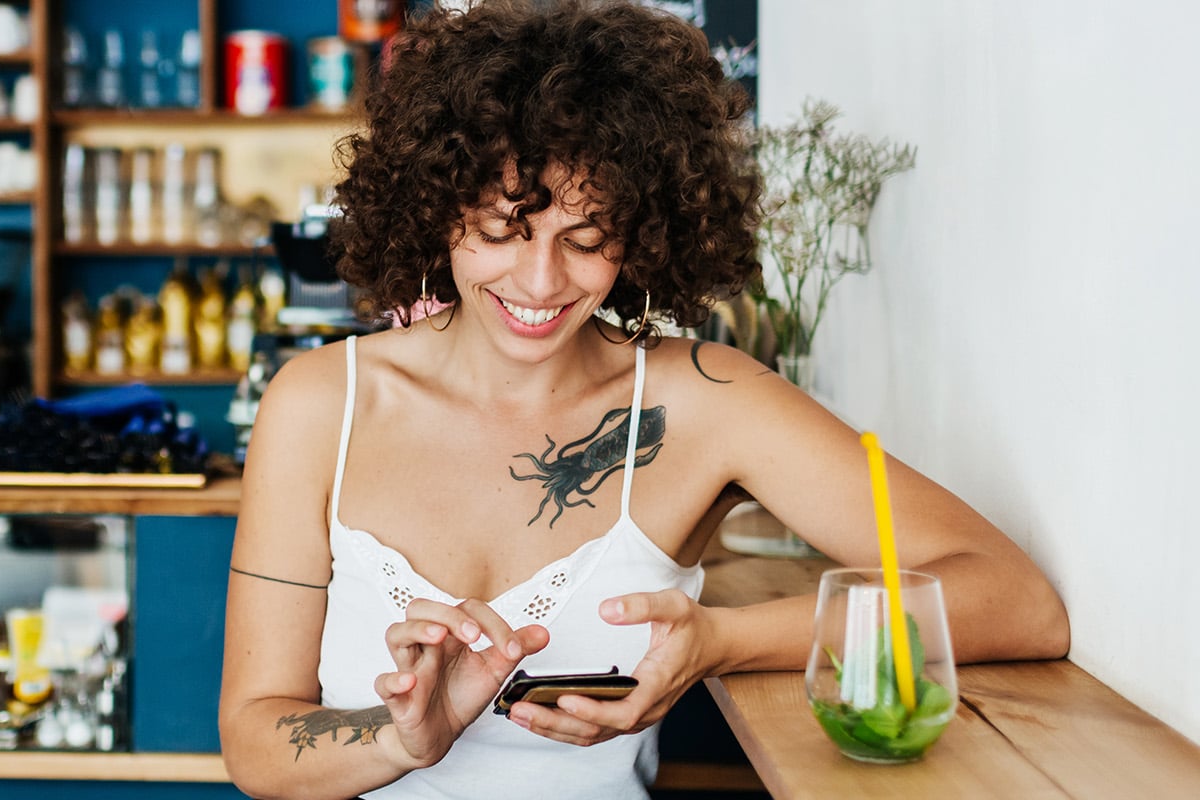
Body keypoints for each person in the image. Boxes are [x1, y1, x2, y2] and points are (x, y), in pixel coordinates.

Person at [216, 2, 1070, 798]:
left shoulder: (709, 402)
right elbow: (255, 742)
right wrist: (403, 739)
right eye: (501, 229)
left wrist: (723, 643)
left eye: (587, 241)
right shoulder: (320, 404)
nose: (541, 283)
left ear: (643, 232)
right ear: (439, 209)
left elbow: (1015, 600)